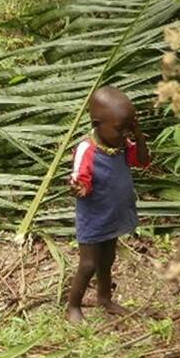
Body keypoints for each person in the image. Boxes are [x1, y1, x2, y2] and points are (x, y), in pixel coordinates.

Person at [66, 86, 150, 324]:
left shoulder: (122, 145)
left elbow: (143, 161)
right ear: (97, 123)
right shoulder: (87, 149)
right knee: (89, 264)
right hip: (94, 217)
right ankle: (73, 306)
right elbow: (79, 178)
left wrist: (139, 135)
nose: (124, 133)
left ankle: (105, 299)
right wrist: (79, 187)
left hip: (113, 213)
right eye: (119, 128)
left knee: (108, 258)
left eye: (127, 128)